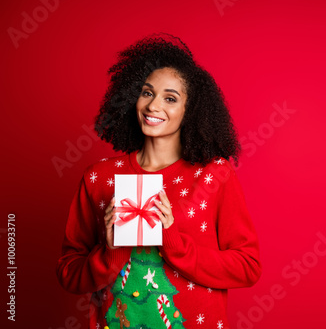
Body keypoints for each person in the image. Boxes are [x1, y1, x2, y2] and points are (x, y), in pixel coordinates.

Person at [56, 33, 262, 329]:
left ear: (189, 111)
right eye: (147, 93)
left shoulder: (215, 175)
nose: (153, 106)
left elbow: (248, 268)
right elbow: (68, 273)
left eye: (170, 98)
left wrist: (174, 244)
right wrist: (109, 253)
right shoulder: (98, 177)